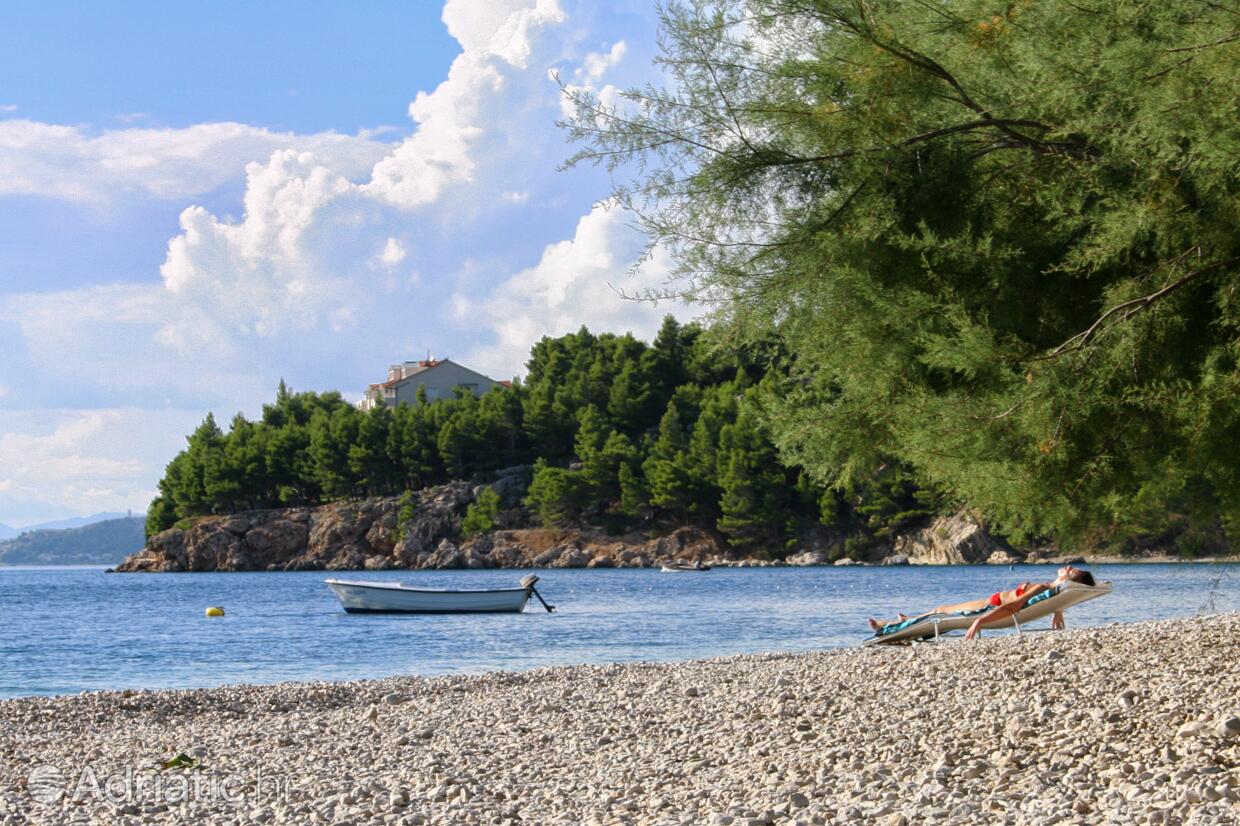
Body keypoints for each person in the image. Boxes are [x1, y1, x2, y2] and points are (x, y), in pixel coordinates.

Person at [867, 565, 1097, 640]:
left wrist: (978, 623)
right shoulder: (1050, 589)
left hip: (987, 607)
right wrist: (1058, 610)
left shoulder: (1043, 588)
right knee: (937, 611)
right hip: (991, 604)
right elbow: (1053, 599)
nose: (1067, 567)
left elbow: (1011, 608)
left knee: (939, 611)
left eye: (1071, 570)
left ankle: (885, 627)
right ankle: (907, 620)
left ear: (1070, 579)